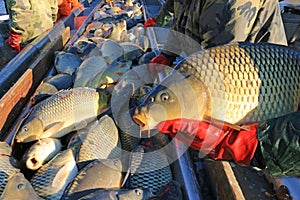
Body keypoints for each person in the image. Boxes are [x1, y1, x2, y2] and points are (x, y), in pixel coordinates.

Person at [146, 0, 288, 73]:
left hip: (258, 77)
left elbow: (220, 62)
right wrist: (168, 53)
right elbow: (181, 19)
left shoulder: (226, 3)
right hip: (212, 65)